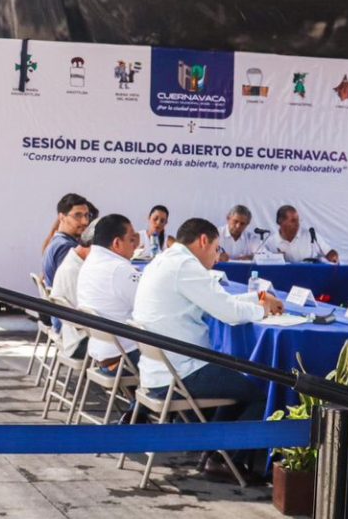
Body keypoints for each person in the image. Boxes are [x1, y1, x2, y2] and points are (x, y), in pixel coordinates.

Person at [132, 217, 282, 483]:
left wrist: (259, 298)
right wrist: (263, 310)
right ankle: (225, 461)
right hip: (179, 374)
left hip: (160, 370)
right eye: (216, 248)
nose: (217, 256)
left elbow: (216, 300)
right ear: (203, 240)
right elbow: (229, 313)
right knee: (260, 395)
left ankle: (214, 453)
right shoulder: (186, 266)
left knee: (234, 382)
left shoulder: (166, 260)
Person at [78, 213, 143, 365]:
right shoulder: (119, 269)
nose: (135, 246)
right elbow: (149, 306)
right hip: (124, 355)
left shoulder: (90, 263)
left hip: (101, 351)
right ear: (117, 243)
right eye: (131, 240)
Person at [42, 192, 92, 286]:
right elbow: (71, 283)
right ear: (62, 217)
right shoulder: (66, 247)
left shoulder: (56, 242)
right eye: (78, 215)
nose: (85, 222)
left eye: (86, 215)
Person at [259, 204, 338, 263]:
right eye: (293, 221)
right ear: (280, 221)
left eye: (298, 220)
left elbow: (328, 252)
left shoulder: (310, 236)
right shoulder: (270, 242)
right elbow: (263, 262)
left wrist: (332, 255)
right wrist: (275, 258)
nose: (297, 224)